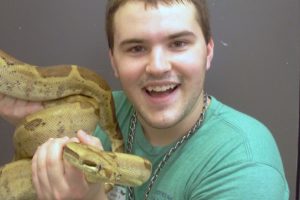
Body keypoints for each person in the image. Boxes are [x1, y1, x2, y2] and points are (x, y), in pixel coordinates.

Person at [0, 0, 290, 199]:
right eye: (137, 48)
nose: (158, 66)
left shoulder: (246, 166)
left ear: (208, 51)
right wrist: (30, 123)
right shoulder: (103, 108)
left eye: (178, 43)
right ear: (113, 61)